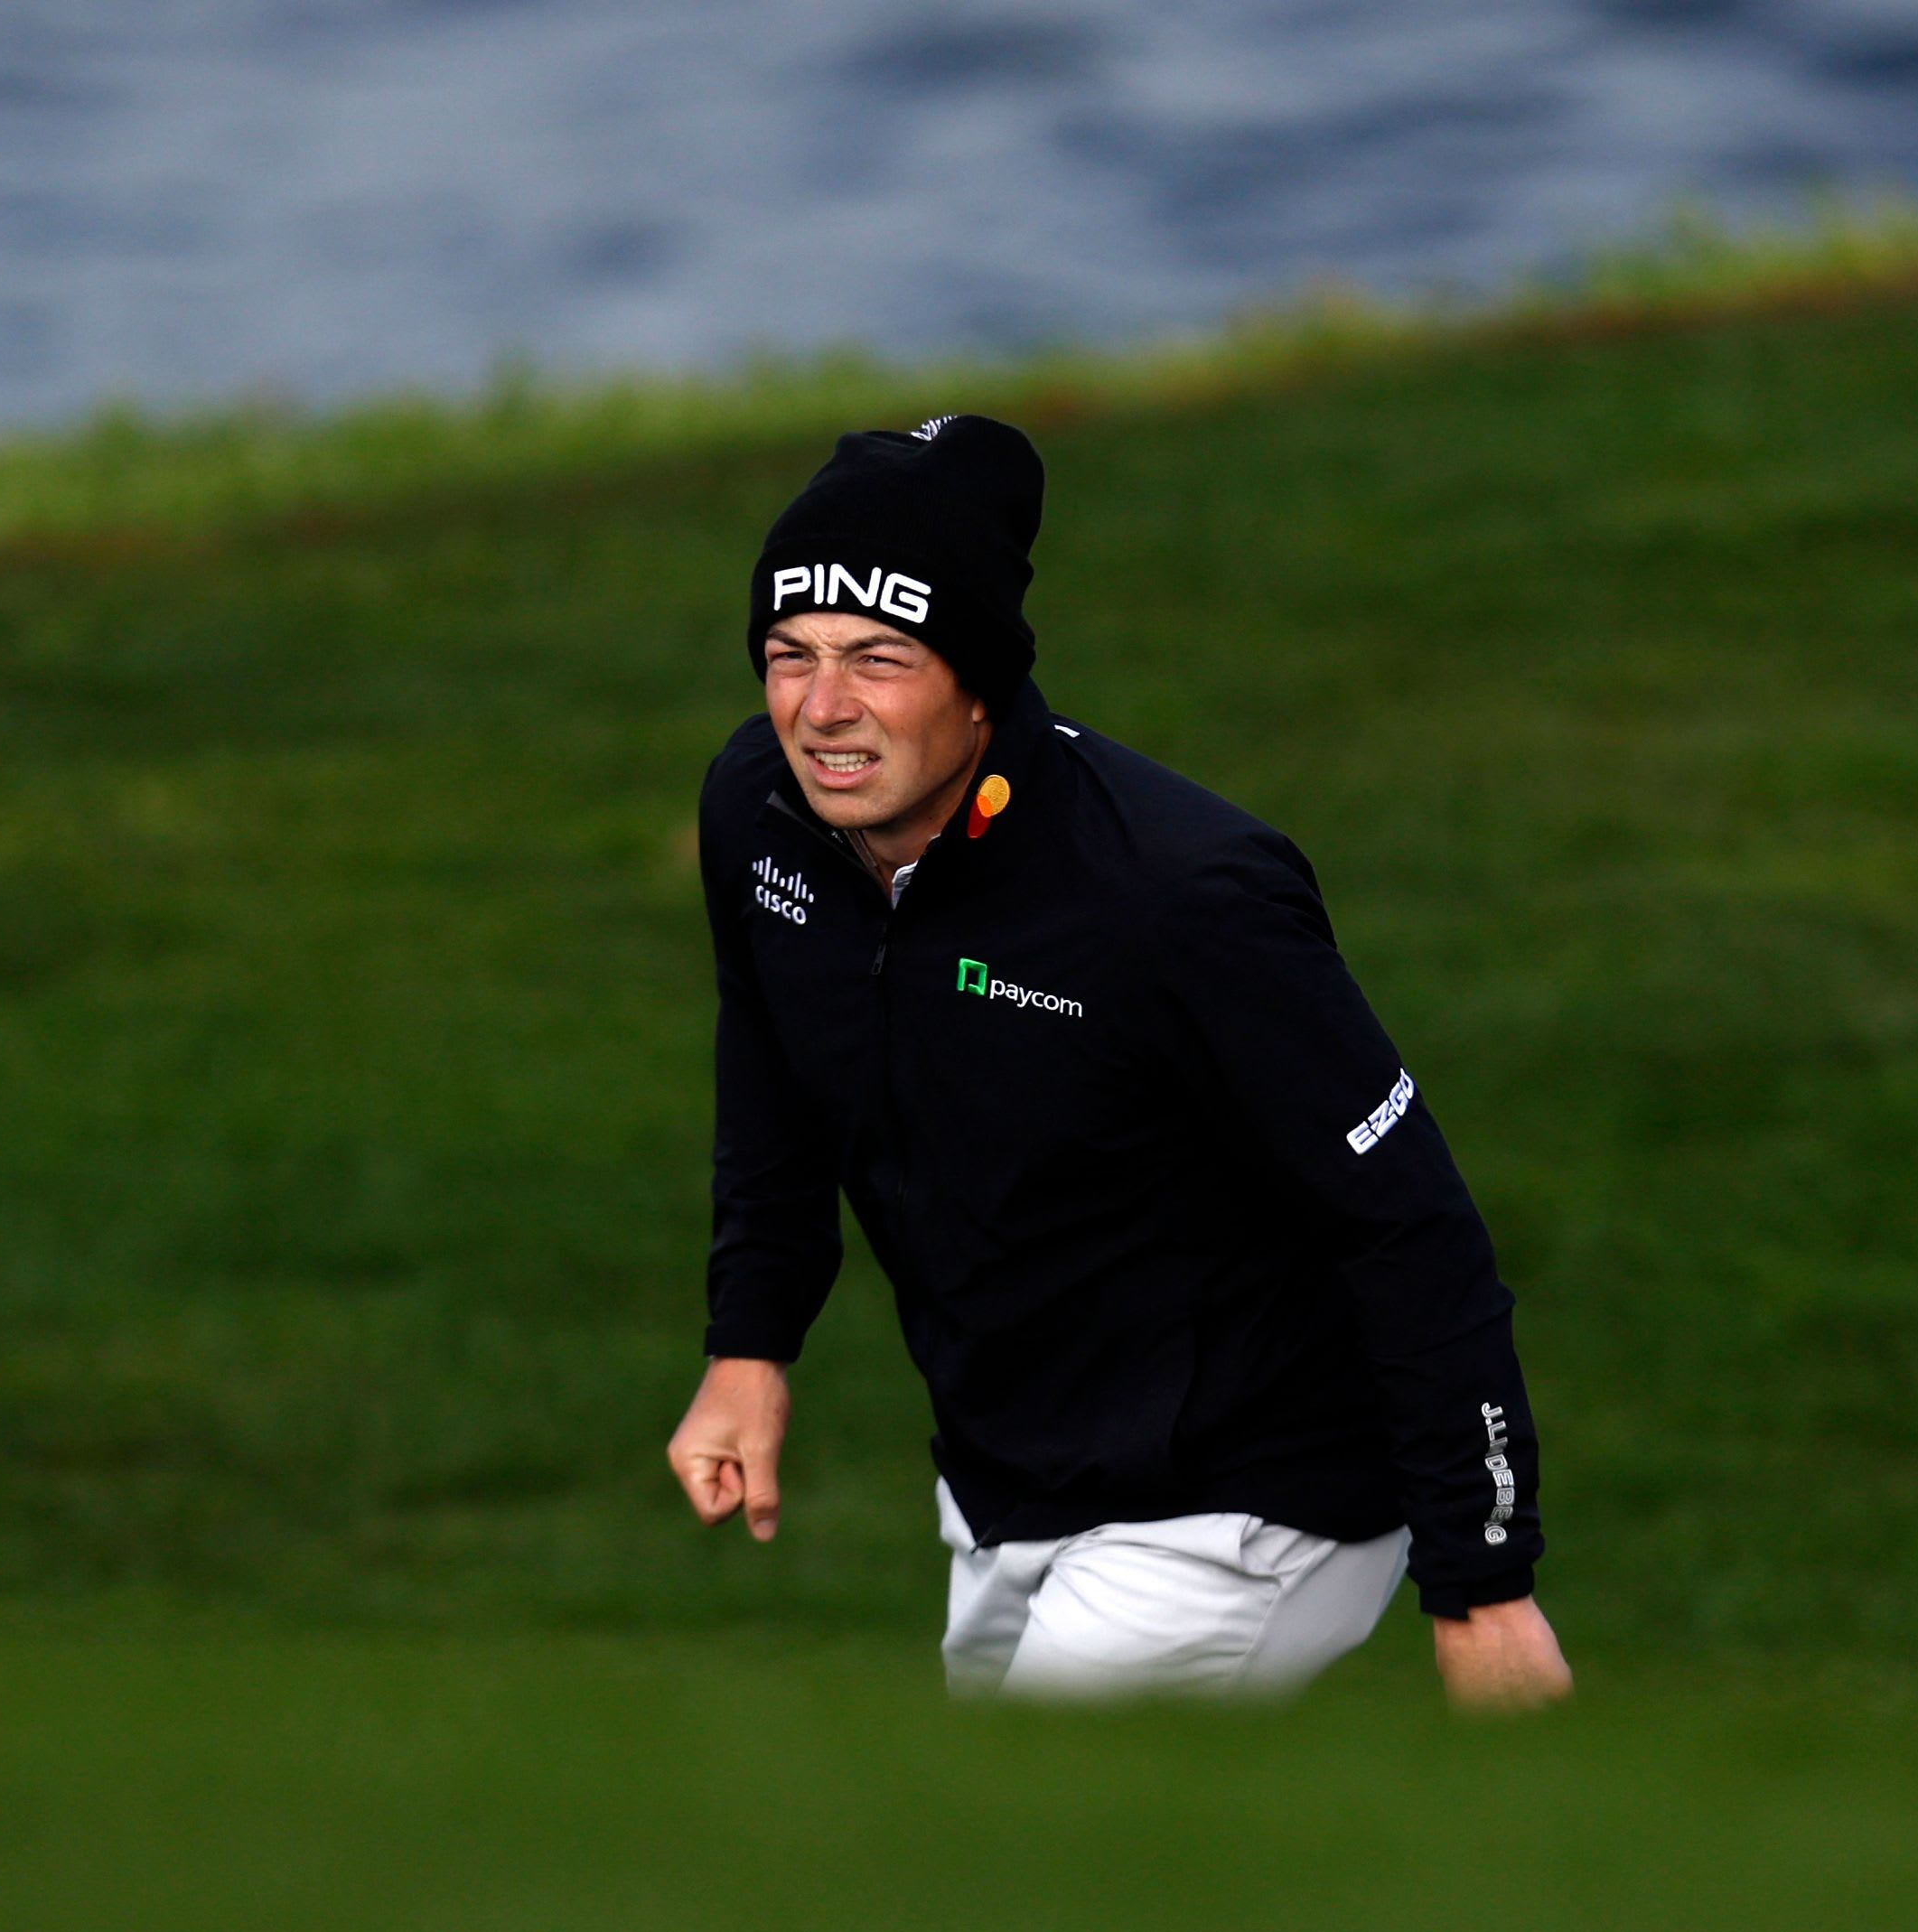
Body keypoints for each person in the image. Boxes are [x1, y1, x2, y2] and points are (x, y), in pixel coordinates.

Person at [668, 413, 1570, 1709]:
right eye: (788, 656)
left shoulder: (1180, 895)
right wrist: (750, 1346)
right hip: (1011, 1481)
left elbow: (1409, 1223)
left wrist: (1483, 1585)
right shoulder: (763, 818)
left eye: (879, 659)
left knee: (1002, 1833)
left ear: (980, 683)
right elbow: (772, 1064)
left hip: (1250, 1496)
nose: (823, 710)